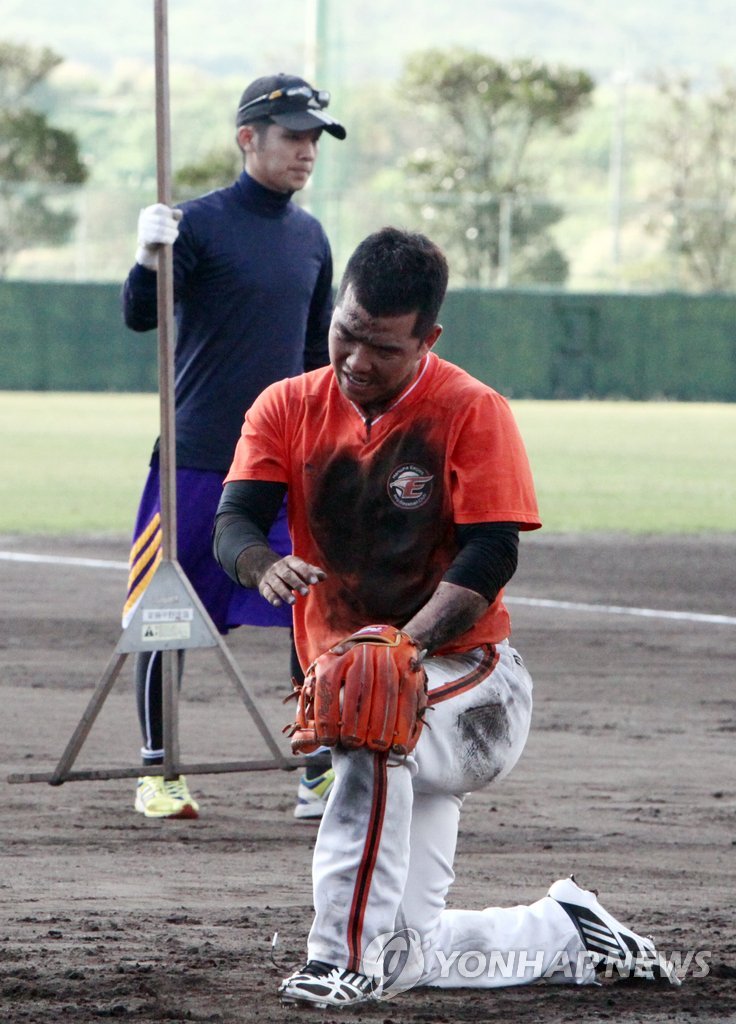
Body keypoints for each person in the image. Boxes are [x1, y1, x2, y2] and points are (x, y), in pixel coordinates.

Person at [212, 227, 682, 1008]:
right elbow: (234, 522)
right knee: (410, 952)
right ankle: (567, 930)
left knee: (371, 706)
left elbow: (491, 555)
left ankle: (336, 959)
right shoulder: (287, 406)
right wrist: (262, 566)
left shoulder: (469, 410)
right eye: (347, 334)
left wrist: (405, 644)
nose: (357, 360)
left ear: (427, 339)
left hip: (474, 685)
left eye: (383, 349)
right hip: (370, 687)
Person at [121, 73, 345, 821]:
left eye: (315, 138)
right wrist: (150, 254)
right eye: (293, 136)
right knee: (166, 610)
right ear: (248, 137)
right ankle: (160, 772)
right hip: (195, 454)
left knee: (309, 602)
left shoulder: (312, 238)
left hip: (283, 462)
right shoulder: (197, 224)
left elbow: (319, 359)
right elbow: (136, 317)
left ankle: (316, 768)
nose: (306, 151)